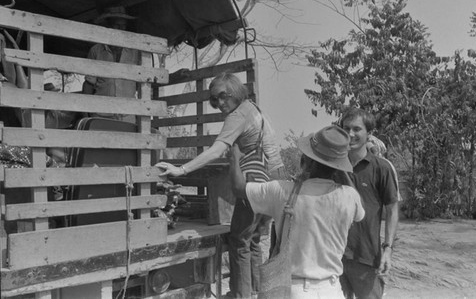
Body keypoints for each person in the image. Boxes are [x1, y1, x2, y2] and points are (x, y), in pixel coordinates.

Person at [156, 72, 283, 299]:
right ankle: (256, 292)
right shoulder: (253, 109)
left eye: (223, 97)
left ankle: (241, 295)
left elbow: (215, 151)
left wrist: (181, 169)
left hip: (253, 184)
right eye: (216, 100)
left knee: (239, 241)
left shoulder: (238, 116)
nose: (220, 104)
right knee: (253, 241)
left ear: (234, 91)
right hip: (272, 183)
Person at [229, 125, 365, 298]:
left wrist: (234, 156)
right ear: (338, 165)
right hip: (332, 290)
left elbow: (238, 188)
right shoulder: (349, 196)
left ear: (307, 160)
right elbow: (361, 214)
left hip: (294, 289)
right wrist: (341, 169)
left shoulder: (282, 191)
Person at [339, 108, 399, 299]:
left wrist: (388, 249)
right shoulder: (334, 167)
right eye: (346, 128)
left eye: (357, 129)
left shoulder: (381, 168)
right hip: (334, 256)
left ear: (369, 133)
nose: (350, 134)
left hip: (366, 257)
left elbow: (392, 209)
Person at [82, 6, 140, 123]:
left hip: (127, 115)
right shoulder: (96, 50)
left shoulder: (135, 52)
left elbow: (141, 85)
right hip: (100, 114)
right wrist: (85, 114)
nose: (120, 30)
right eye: (116, 26)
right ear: (108, 26)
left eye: (123, 26)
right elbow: (89, 84)